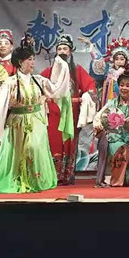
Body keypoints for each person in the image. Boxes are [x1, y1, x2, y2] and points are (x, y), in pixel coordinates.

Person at [0, 35, 71, 196]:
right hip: (17, 124)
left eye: (33, 59)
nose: (32, 62)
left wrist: (61, 66)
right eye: (29, 59)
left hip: (36, 122)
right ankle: (16, 179)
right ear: (20, 62)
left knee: (35, 149)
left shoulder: (39, 80)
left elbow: (57, 89)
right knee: (19, 153)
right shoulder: (10, 83)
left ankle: (36, 180)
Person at [40, 34, 97, 185]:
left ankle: (67, 175)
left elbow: (90, 86)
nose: (62, 52)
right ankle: (52, 175)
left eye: (65, 49)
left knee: (69, 143)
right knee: (53, 142)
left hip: (71, 113)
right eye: (59, 49)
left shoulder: (77, 70)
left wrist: (86, 96)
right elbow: (38, 87)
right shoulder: (48, 71)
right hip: (53, 114)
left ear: (71, 51)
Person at [92, 67, 129, 187]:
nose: (124, 88)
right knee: (122, 149)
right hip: (112, 140)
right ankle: (116, 183)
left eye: (128, 86)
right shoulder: (111, 104)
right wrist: (98, 125)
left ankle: (123, 179)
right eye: (121, 85)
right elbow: (98, 117)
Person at [85, 36, 129, 108]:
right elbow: (98, 61)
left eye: (122, 59)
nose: (119, 61)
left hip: (123, 101)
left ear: (126, 61)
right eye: (116, 59)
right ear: (113, 60)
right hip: (108, 99)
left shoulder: (128, 73)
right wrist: (91, 46)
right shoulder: (109, 71)